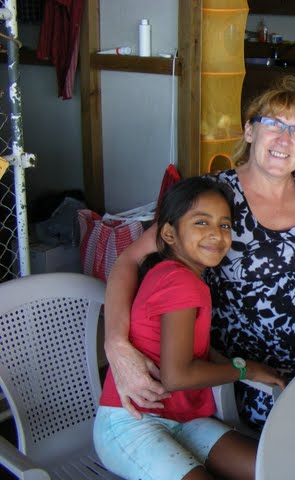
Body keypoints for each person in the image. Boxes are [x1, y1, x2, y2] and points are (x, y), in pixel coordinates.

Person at [104, 76, 295, 431]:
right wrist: (116, 345)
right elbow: (129, 260)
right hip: (272, 369)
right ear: (250, 131)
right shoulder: (214, 196)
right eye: (274, 124)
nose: (284, 139)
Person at [94, 176, 285, 480]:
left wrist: (244, 367)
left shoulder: (180, 276)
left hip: (182, 418)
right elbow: (178, 376)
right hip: (132, 423)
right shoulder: (179, 281)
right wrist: (245, 369)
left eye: (224, 225)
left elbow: (194, 351)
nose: (216, 234)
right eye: (201, 222)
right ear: (169, 233)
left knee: (273, 470)